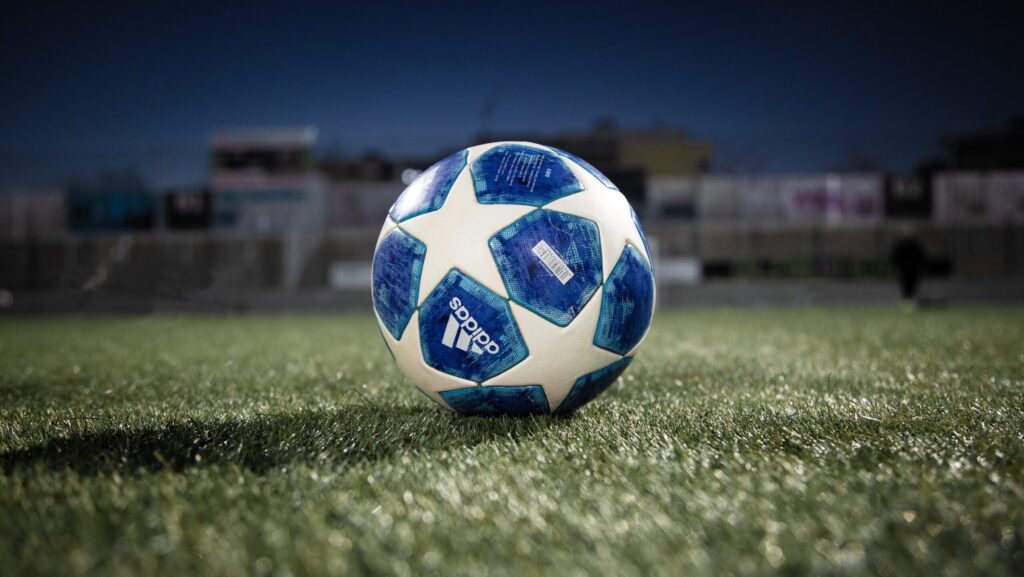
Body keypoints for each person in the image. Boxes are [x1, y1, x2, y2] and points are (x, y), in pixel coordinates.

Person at [890, 228, 926, 306]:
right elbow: (894, 257)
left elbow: (921, 257)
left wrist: (920, 266)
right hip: (903, 269)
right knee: (905, 285)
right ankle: (906, 301)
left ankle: (912, 301)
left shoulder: (916, 244)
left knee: (913, 285)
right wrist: (897, 266)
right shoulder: (900, 244)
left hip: (913, 269)